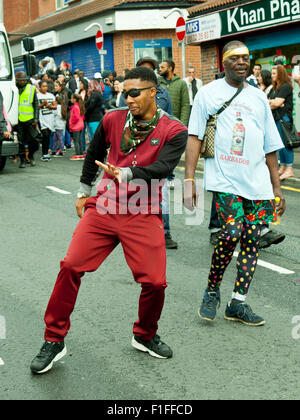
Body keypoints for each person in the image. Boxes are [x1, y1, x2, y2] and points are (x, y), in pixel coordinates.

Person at [30, 66, 188, 374]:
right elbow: (93, 153)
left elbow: (164, 168)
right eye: (123, 92)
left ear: (153, 92)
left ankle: (145, 334)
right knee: (71, 267)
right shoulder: (113, 119)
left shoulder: (174, 130)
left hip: (143, 211)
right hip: (103, 207)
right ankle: (54, 339)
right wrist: (82, 191)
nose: (126, 98)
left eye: (134, 93)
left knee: (155, 282)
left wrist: (126, 173)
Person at [184, 40, 286, 326]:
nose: (242, 62)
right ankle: (212, 289)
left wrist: (277, 188)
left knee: (252, 241)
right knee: (229, 234)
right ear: (224, 63)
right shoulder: (207, 94)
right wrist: (189, 178)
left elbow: (270, 146)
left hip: (258, 183)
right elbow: (195, 136)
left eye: (246, 58)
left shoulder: (257, 97)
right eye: (235, 58)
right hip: (225, 178)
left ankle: (237, 303)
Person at [119, 57, 177, 249]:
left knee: (161, 191)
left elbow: (169, 117)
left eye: (151, 70)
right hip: (135, 147)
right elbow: (123, 117)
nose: (148, 73)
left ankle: (165, 232)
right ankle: (138, 229)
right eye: (143, 70)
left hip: (158, 146)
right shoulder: (128, 94)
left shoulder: (163, 93)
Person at [268, 64, 294, 180]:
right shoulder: (275, 88)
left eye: (274, 73)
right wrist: (273, 102)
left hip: (284, 118)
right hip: (276, 118)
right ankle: (283, 167)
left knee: (286, 143)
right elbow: (267, 101)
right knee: (280, 145)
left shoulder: (285, 87)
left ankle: (289, 169)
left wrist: (274, 103)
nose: (272, 75)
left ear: (280, 74)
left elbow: (277, 104)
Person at [15, 72, 39, 168]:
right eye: (20, 80)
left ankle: (31, 156)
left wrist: (36, 118)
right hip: (18, 120)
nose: (22, 82)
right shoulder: (14, 89)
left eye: (24, 80)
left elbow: (36, 104)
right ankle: (22, 160)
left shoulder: (31, 88)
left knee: (33, 140)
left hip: (30, 120)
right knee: (20, 142)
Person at [158, 60, 190, 127]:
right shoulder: (157, 83)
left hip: (176, 123)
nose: (160, 69)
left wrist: (182, 124)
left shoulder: (181, 83)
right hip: (159, 123)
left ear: (170, 68)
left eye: (162, 67)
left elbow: (185, 105)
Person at [69, 93, 85, 160]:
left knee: (76, 140)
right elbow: (83, 117)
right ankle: (81, 154)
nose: (71, 100)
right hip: (81, 125)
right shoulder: (80, 106)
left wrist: (71, 123)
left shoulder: (75, 107)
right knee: (79, 140)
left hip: (76, 126)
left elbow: (76, 117)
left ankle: (78, 154)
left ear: (75, 99)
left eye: (72, 98)